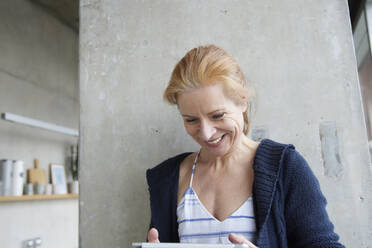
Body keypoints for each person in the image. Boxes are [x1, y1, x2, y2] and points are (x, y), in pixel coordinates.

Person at [146, 45, 345, 247]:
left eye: (217, 115)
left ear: (242, 102)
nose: (206, 133)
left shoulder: (286, 168)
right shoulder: (167, 179)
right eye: (191, 120)